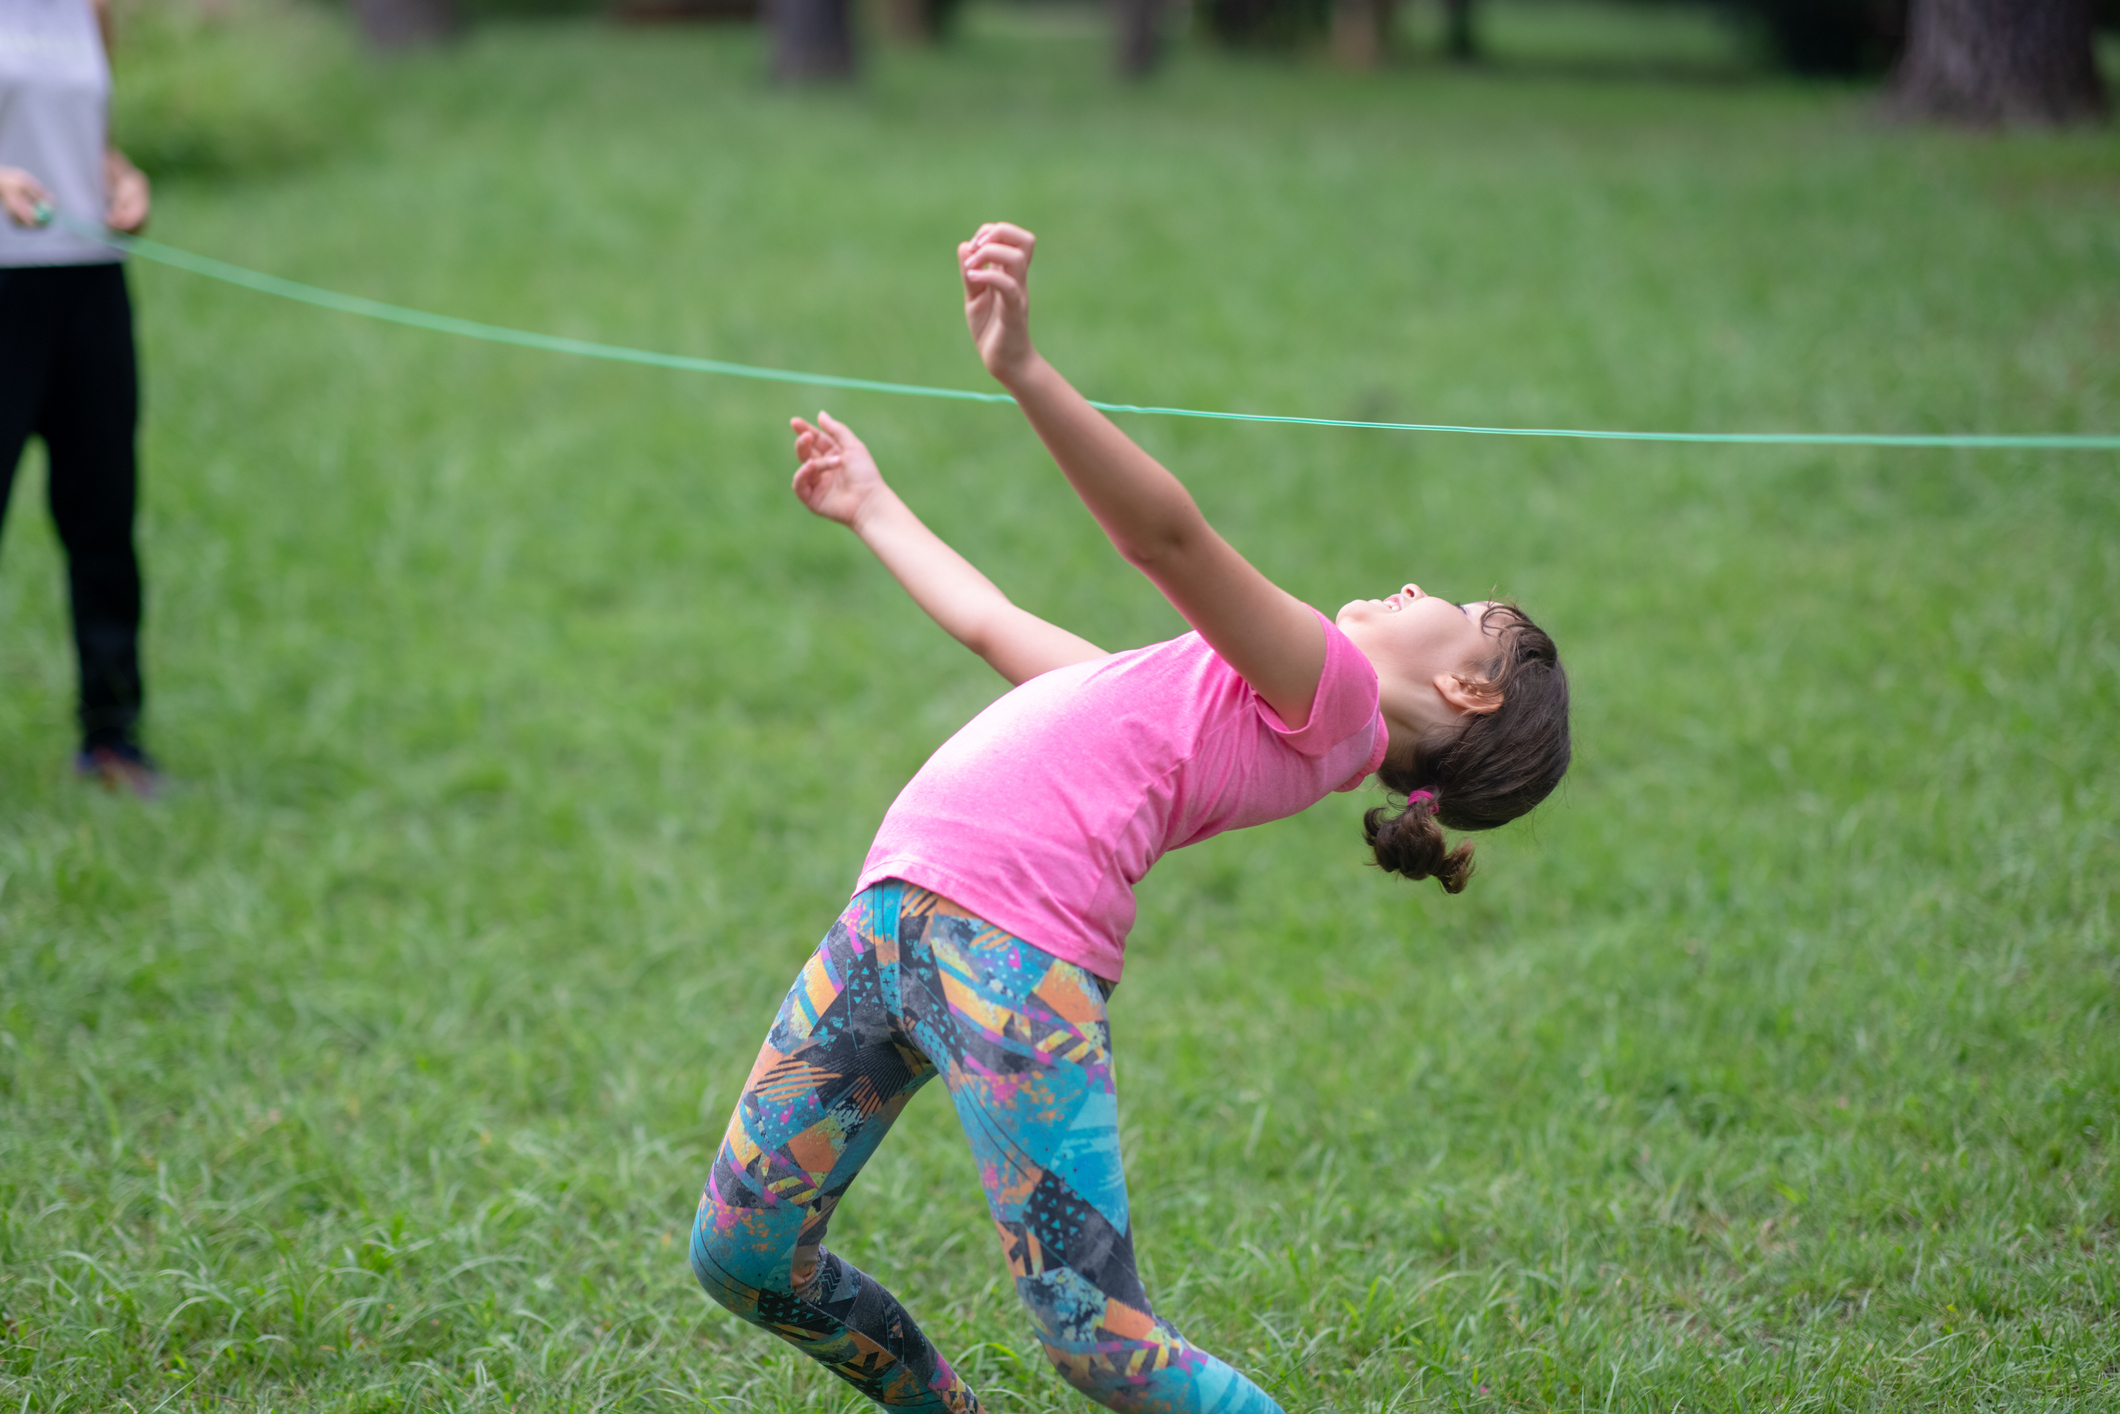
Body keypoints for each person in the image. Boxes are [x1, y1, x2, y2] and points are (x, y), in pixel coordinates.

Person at [689, 222, 1572, 1414]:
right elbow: (998, 628)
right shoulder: (1201, 710)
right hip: (892, 923)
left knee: (1099, 1341)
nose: (1420, 587)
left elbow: (1165, 535)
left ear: (1468, 688)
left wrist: (1023, 371)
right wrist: (872, 505)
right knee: (739, 1256)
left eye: (1460, 610)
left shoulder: (1337, 695)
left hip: (1011, 957)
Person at [0, 0, 158, 796]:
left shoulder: (86, 5)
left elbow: (85, 138)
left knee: (103, 517)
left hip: (89, 284)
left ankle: (113, 738)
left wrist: (121, 177)